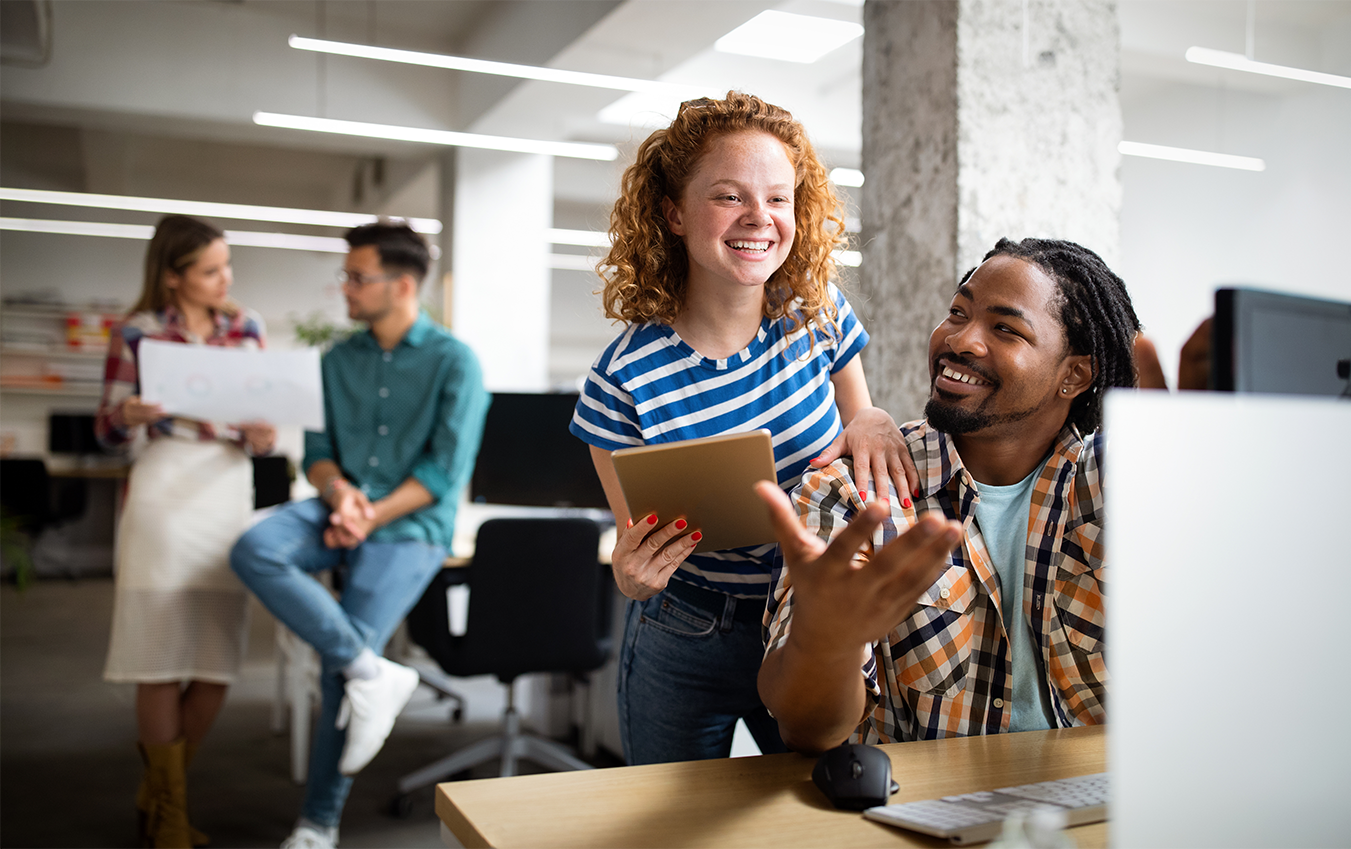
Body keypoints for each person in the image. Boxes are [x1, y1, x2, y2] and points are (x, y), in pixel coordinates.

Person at [569, 91, 917, 765]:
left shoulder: (817, 316)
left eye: (779, 198)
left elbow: (859, 422)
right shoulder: (622, 378)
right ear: (672, 213)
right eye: (729, 196)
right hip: (684, 627)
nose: (760, 217)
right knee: (667, 825)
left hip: (805, 618)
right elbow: (631, 549)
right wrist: (634, 575)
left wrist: (873, 419)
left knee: (821, 813)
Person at [756, 237, 1140, 754]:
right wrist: (826, 641)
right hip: (924, 808)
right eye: (958, 313)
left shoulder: (1126, 488)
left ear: (1073, 375)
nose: (960, 340)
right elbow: (807, 730)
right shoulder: (852, 495)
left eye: (1005, 328)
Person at [229, 222, 488, 849]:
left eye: (356, 276)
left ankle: (318, 822)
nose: (344, 287)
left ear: (401, 286)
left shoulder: (454, 361)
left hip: (411, 526)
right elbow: (317, 454)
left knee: (336, 672)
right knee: (255, 548)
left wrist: (370, 513)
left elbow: (442, 473)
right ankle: (372, 670)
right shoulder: (337, 360)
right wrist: (341, 494)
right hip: (338, 506)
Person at [97, 214, 277, 849]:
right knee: (159, 655)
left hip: (226, 488)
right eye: (210, 269)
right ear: (173, 278)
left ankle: (157, 794)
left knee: (213, 661)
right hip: (163, 489)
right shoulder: (139, 333)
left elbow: (263, 424)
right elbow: (106, 429)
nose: (225, 278)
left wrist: (263, 434)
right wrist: (128, 413)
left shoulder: (246, 326)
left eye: (227, 265)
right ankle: (170, 813)